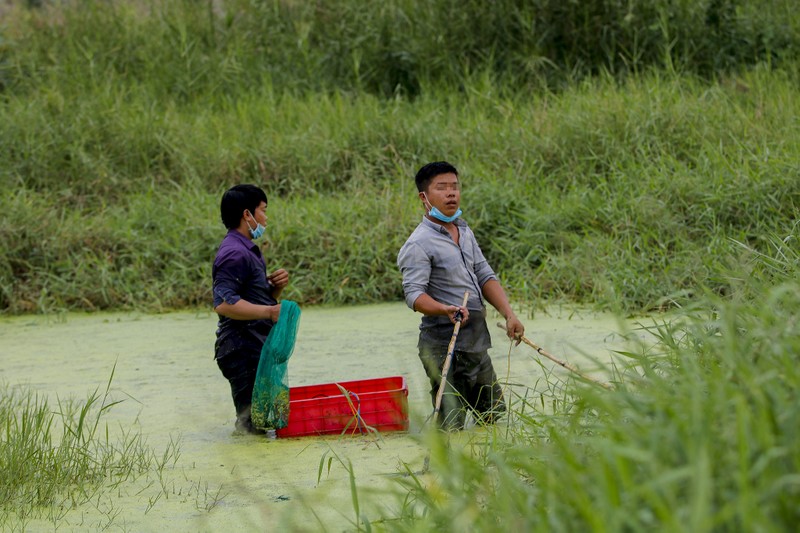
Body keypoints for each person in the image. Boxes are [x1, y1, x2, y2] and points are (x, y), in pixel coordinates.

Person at [397, 161, 525, 430]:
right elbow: (414, 295)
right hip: (445, 345)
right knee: (451, 426)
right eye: (441, 188)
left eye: (454, 187)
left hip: (476, 343)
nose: (451, 194)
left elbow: (485, 275)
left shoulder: (464, 231)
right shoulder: (419, 243)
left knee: (492, 417)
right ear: (424, 197)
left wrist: (509, 314)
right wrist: (444, 309)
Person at [212, 184, 289, 435]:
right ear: (248, 215)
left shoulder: (247, 249)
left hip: (255, 346)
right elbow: (224, 304)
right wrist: (269, 312)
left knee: (260, 422)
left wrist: (272, 290)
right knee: (250, 426)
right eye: (263, 210)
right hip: (241, 349)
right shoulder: (233, 252)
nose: (266, 218)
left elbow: (246, 295)